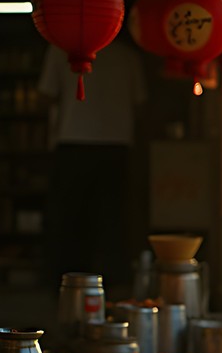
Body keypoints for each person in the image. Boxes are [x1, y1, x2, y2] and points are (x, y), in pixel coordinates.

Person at [37, 35, 147, 293]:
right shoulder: (127, 56)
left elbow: (45, 96)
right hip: (116, 143)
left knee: (69, 219)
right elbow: (140, 105)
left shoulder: (60, 48)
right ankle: (114, 285)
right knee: (113, 218)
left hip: (73, 140)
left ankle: (68, 285)